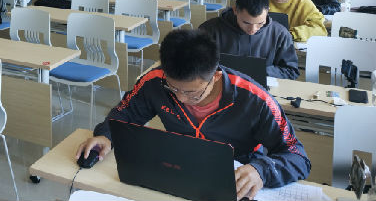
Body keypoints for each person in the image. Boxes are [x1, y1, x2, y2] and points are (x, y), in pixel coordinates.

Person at [77, 29, 310, 200]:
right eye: (172, 88)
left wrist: (261, 170)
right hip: (178, 171)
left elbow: (298, 157)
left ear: (215, 77)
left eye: (192, 93)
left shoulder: (255, 100)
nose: (180, 98)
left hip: (233, 180)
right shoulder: (154, 81)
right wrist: (106, 135)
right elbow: (124, 113)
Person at [199, 0, 299, 79]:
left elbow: (291, 71)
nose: (252, 30)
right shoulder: (210, 30)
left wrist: (262, 71)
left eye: (260, 23)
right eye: (246, 23)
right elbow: (196, 64)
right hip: (219, 84)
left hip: (263, 88)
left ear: (267, 11)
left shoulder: (279, 34)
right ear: (235, 10)